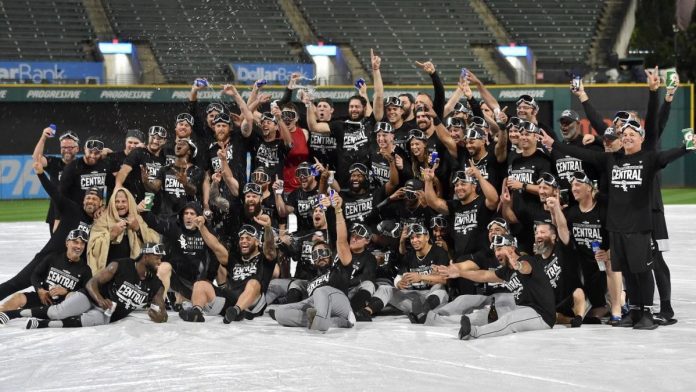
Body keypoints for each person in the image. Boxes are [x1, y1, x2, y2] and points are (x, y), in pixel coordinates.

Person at [540, 122, 693, 329]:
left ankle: (647, 312)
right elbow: (580, 153)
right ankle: (635, 311)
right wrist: (554, 144)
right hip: (617, 226)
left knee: (643, 271)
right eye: (625, 134)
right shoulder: (611, 160)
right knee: (628, 271)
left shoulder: (647, 158)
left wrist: (686, 147)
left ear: (641, 138)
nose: (628, 137)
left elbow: (667, 156)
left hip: (639, 226)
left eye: (632, 134)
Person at [0, 163, 101, 303]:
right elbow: (54, 192)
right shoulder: (71, 209)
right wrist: (41, 174)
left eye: (95, 199)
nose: (91, 201)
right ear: (83, 200)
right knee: (15, 284)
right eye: (88, 197)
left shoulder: (99, 223)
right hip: (46, 259)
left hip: (68, 269)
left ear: (101, 203)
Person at [436, 234, 556, 340]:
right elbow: (483, 275)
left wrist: (518, 265)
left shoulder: (527, 260)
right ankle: (441, 320)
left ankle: (473, 333)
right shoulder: (507, 271)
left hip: (541, 316)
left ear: (512, 248)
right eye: (495, 250)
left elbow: (526, 268)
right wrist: (460, 273)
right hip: (524, 311)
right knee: (492, 316)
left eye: (499, 248)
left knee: (509, 320)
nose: (496, 253)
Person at [22, 243, 168, 329]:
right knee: (57, 312)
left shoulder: (156, 284)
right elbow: (92, 282)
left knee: (88, 321)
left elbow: (161, 309)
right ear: (146, 256)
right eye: (157, 257)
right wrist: (99, 299)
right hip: (93, 297)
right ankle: (12, 314)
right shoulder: (121, 265)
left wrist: (161, 316)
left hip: (109, 313)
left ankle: (42, 324)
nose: (160, 261)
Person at [179, 218, 277, 323]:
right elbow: (215, 246)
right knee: (200, 284)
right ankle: (196, 313)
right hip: (231, 304)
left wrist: (267, 228)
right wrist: (202, 227)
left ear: (257, 242)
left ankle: (237, 310)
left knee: (253, 283)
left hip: (252, 306)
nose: (244, 241)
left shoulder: (264, 258)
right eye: (241, 239)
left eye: (248, 238)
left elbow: (270, 249)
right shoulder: (234, 259)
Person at [355, 223, 449, 322]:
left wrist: (421, 277)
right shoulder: (409, 255)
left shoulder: (439, 252)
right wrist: (399, 283)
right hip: (414, 299)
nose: (414, 240)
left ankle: (423, 313)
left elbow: (444, 280)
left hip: (432, 298)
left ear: (427, 237)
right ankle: (365, 312)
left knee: (439, 288)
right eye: (412, 238)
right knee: (385, 288)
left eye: (418, 236)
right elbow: (399, 277)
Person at [141, 202, 228, 306]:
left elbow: (215, 255)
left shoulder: (206, 231)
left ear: (199, 216)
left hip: (197, 282)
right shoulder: (174, 228)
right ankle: (158, 307)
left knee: (221, 302)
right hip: (176, 278)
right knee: (164, 267)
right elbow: (154, 222)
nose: (188, 216)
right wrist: (147, 202)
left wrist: (209, 279)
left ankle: (183, 299)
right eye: (186, 213)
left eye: (192, 214)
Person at [0, 229, 92, 325]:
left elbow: (86, 296)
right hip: (44, 299)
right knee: (19, 297)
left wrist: (67, 292)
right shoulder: (53, 258)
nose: (79, 246)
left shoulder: (85, 270)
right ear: (67, 243)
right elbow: (35, 275)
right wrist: (40, 290)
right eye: (75, 242)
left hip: (62, 307)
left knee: (71, 297)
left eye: (82, 244)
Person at [271, 241, 355, 332]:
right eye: (315, 255)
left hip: (337, 301)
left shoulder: (337, 269)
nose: (320, 257)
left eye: (323, 252)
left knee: (320, 291)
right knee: (280, 312)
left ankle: (322, 322)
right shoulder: (311, 281)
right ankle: (333, 322)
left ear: (330, 254)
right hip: (317, 305)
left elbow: (341, 243)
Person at [86, 187, 160, 274]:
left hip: (131, 274)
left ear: (130, 203)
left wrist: (138, 229)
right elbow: (92, 249)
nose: (120, 205)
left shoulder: (137, 218)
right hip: (107, 273)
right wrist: (111, 235)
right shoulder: (102, 219)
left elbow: (155, 242)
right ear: (112, 203)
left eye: (123, 201)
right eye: (117, 201)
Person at [32, 127, 80, 233]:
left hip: (78, 212)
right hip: (56, 213)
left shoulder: (82, 164)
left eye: (70, 147)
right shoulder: (54, 163)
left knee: (79, 247)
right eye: (64, 147)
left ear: (77, 148)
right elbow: (36, 159)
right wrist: (44, 137)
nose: (67, 149)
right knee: (57, 248)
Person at [145, 137, 205, 217]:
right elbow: (155, 188)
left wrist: (185, 184)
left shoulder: (197, 171)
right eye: (178, 143)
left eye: (183, 143)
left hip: (186, 217)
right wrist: (146, 181)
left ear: (189, 151)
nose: (179, 144)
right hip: (166, 217)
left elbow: (194, 191)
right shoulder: (165, 169)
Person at [114, 125, 168, 203]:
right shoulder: (138, 152)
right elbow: (124, 170)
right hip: (138, 201)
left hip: (157, 204)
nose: (155, 141)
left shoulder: (165, 158)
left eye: (159, 139)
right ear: (148, 137)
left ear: (164, 141)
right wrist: (118, 185)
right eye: (153, 137)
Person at [59, 138, 111, 202]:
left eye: (97, 153)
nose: (93, 155)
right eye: (90, 152)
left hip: (97, 210)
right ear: (84, 149)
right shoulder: (72, 167)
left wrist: (110, 153)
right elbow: (62, 194)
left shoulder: (104, 165)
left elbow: (112, 186)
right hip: (76, 210)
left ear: (101, 152)